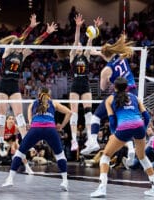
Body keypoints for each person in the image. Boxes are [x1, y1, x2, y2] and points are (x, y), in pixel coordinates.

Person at [0, 14, 57, 172]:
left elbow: (36, 44)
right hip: (3, 85)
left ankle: (26, 142)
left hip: (14, 85)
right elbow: (21, 38)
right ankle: (1, 142)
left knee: (19, 116)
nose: (21, 45)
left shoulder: (22, 54)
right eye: (19, 44)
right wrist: (31, 27)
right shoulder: (8, 51)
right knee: (2, 116)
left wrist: (47, 33)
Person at [90, 77, 154, 198]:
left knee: (105, 156)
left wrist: (114, 134)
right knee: (142, 157)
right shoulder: (135, 98)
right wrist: (143, 130)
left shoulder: (110, 99)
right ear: (127, 87)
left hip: (124, 128)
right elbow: (146, 116)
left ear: (114, 87)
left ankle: (102, 188)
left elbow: (112, 120)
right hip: (139, 126)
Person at [81, 35, 137, 167]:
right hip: (132, 92)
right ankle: (131, 149)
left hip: (119, 95)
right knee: (123, 122)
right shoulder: (121, 55)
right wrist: (99, 53)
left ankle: (93, 141)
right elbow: (109, 55)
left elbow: (103, 87)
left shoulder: (106, 70)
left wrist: (106, 77)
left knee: (96, 116)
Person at [1, 87, 72, 191]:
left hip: (36, 129)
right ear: (49, 94)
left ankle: (10, 179)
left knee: (19, 153)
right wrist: (61, 126)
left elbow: (30, 118)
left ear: (38, 94)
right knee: (60, 155)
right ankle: (65, 181)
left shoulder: (33, 103)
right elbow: (69, 112)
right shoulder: (54, 103)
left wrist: (31, 123)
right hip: (50, 129)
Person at [69, 14, 103, 151]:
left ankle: (90, 139)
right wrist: (78, 27)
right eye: (77, 45)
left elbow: (90, 40)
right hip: (75, 86)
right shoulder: (72, 56)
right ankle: (74, 140)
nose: (79, 45)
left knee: (88, 113)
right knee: (74, 113)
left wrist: (95, 28)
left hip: (85, 86)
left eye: (80, 45)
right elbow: (76, 39)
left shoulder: (86, 55)